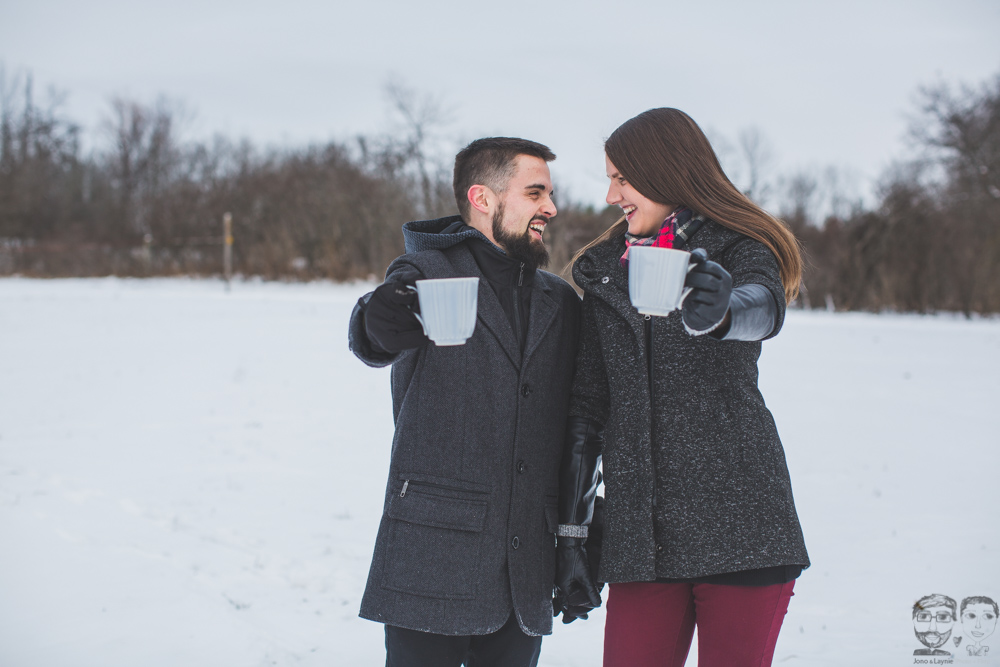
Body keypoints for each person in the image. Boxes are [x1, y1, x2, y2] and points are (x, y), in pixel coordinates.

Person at [552, 108, 810, 667]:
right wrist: (572, 533)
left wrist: (719, 313)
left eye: (621, 178)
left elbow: (762, 307)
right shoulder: (602, 270)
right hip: (643, 542)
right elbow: (588, 409)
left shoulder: (739, 249)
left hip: (743, 527)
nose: (610, 195)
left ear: (664, 171)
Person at [348, 137, 582, 667]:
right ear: (483, 196)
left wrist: (575, 540)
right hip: (432, 558)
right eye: (535, 192)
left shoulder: (560, 301)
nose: (550, 207)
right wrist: (379, 314)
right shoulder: (428, 274)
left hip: (524, 570)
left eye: (549, 193)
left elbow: (576, 425)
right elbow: (374, 332)